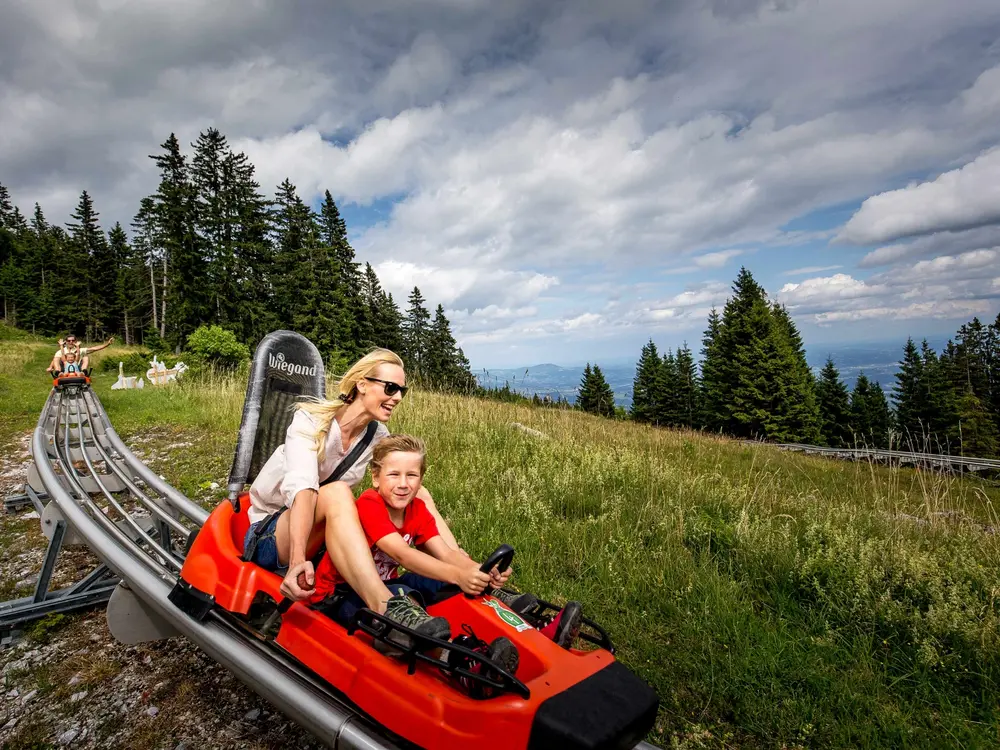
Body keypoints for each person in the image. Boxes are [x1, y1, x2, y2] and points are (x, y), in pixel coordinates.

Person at [245, 348, 476, 642]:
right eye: (390, 388)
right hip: (272, 535)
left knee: (418, 491)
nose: (398, 397)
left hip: (321, 533)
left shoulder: (377, 436)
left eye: (401, 390)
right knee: (338, 492)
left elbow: (394, 478)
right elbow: (304, 489)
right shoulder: (310, 421)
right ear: (362, 384)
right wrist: (296, 562)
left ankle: (466, 569)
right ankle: (384, 605)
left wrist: (464, 567)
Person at [310, 434, 582, 652]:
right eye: (394, 475)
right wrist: (459, 574)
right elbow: (401, 554)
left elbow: (446, 554)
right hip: (341, 594)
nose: (403, 484)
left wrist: (477, 571)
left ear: (421, 479)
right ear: (376, 477)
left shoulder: (416, 509)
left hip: (385, 584)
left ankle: (530, 626)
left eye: (412, 475)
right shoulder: (370, 503)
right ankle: (463, 657)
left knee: (440, 583)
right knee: (408, 592)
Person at [47, 334, 113, 373]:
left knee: (85, 356)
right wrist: (50, 367)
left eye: (73, 340)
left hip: (77, 368)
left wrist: (107, 344)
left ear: (75, 341)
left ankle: (84, 371)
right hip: (64, 369)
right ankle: (58, 372)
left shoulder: (80, 350)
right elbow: (55, 360)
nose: (71, 342)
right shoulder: (61, 351)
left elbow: (94, 348)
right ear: (65, 342)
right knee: (57, 357)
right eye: (69, 341)